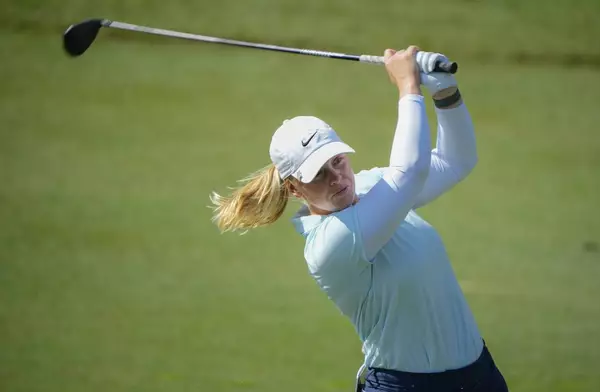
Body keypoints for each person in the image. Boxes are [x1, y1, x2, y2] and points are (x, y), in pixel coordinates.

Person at [210, 46, 509, 392]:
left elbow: (455, 160)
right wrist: (408, 87)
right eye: (318, 174)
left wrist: (444, 91)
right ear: (294, 190)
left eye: (337, 161)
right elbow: (409, 172)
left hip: (480, 376)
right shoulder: (330, 243)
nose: (336, 178)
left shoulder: (370, 186)